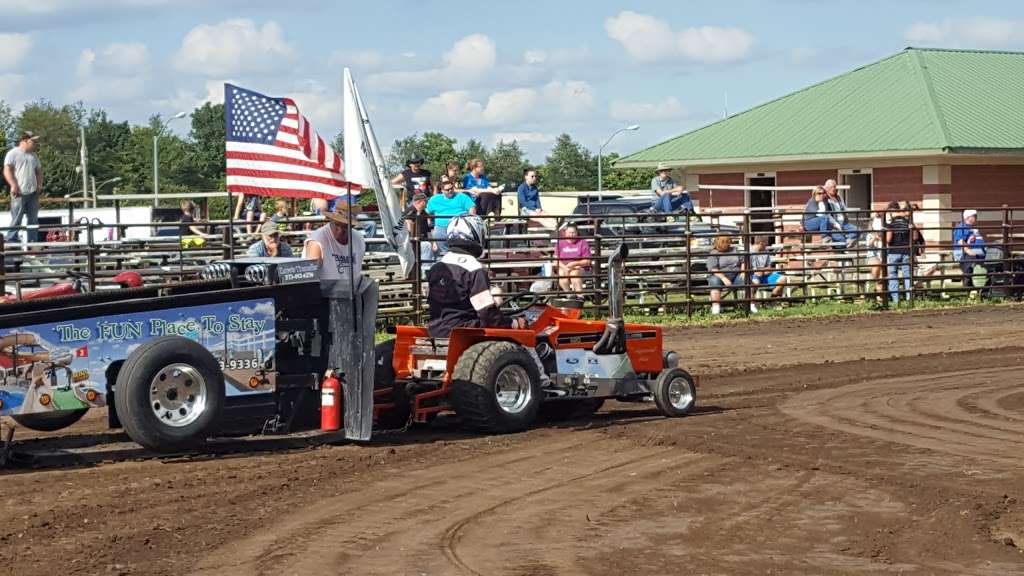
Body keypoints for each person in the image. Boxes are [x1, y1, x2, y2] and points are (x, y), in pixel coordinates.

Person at [426, 215, 526, 337]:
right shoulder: (473, 267)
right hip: (465, 332)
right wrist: (512, 323)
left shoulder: (438, 266)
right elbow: (486, 312)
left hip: (436, 330)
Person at [302, 200, 366, 290]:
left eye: (345, 227)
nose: (340, 231)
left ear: (352, 226)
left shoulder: (358, 239)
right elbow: (310, 275)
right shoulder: (317, 240)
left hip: (351, 292)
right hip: (325, 294)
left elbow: (357, 272)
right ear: (331, 220)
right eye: (336, 225)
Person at [4, 131, 42, 243]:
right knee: (16, 219)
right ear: (25, 140)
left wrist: (39, 185)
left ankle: (33, 243)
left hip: (33, 193)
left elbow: (39, 171)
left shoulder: (34, 156)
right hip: (19, 193)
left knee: (33, 220)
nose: (35, 143)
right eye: (33, 141)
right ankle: (12, 242)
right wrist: (13, 185)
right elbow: (7, 170)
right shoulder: (13, 153)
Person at [426, 179, 476, 256]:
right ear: (442, 190)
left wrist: (471, 220)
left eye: (451, 188)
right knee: (437, 233)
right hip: (441, 227)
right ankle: (443, 256)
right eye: (447, 189)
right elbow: (427, 212)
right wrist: (428, 220)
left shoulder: (461, 196)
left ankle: (460, 256)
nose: (450, 191)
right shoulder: (435, 199)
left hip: (459, 225)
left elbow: (472, 207)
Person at [707, 234, 745, 315]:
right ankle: (716, 307)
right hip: (719, 275)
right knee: (715, 282)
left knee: (747, 280)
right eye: (724, 242)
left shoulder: (734, 250)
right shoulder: (714, 253)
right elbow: (713, 269)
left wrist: (743, 271)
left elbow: (743, 261)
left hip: (736, 275)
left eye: (727, 242)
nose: (727, 244)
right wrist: (724, 278)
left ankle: (750, 305)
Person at [885, 201, 914, 305]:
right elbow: (914, 236)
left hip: (894, 251)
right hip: (906, 250)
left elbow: (888, 239)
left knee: (893, 274)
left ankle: (896, 299)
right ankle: (909, 298)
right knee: (907, 275)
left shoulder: (891, 224)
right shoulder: (907, 222)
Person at [748, 236, 788, 311]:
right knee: (755, 282)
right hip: (752, 275)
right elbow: (745, 268)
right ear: (761, 243)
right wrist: (756, 272)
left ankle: (771, 301)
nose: (767, 245)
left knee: (783, 279)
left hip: (765, 275)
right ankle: (752, 304)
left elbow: (769, 268)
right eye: (766, 243)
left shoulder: (765, 251)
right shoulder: (749, 251)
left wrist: (762, 271)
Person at [953, 209, 987, 289]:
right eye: (974, 216)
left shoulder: (972, 228)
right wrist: (968, 250)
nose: (976, 218)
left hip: (978, 252)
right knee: (969, 264)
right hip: (966, 253)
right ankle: (968, 285)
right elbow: (960, 241)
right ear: (968, 218)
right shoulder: (962, 227)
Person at [556, 223, 592, 294]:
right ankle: (569, 294)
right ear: (565, 232)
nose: (571, 235)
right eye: (569, 232)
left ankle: (580, 295)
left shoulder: (582, 242)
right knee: (561, 273)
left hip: (579, 268)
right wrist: (565, 267)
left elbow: (587, 261)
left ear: (577, 232)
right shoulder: (560, 243)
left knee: (574, 273)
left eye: (573, 232)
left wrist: (575, 264)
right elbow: (556, 260)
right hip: (565, 267)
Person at [823, 179, 860, 245]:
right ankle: (847, 241)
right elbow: (827, 214)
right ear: (827, 188)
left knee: (858, 230)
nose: (834, 188)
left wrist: (846, 215)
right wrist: (835, 224)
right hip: (834, 225)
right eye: (832, 187)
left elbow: (844, 208)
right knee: (841, 242)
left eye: (835, 186)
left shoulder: (838, 197)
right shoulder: (825, 199)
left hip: (844, 223)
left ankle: (848, 239)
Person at [403, 191, 433, 265]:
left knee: (433, 247)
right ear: (420, 202)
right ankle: (425, 270)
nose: (427, 203)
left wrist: (433, 242)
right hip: (412, 240)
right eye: (426, 201)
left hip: (422, 238)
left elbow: (428, 230)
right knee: (426, 246)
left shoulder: (424, 213)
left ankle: (428, 269)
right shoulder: (410, 211)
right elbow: (402, 226)